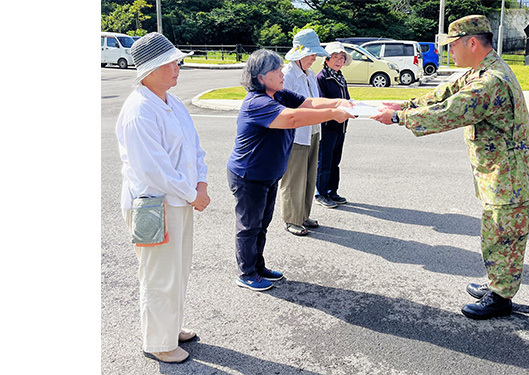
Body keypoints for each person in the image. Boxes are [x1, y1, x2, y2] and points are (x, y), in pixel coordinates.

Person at [371, 15, 529, 320]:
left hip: (510, 177)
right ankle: (497, 284)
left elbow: (450, 111)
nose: (450, 52)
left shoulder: (490, 81)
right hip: (500, 174)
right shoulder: (482, 70)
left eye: (453, 46)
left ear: (472, 42)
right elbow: (445, 93)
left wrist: (400, 119)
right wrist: (403, 106)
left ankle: (501, 297)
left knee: (503, 236)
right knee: (495, 232)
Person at [116, 32, 210, 363]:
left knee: (177, 270)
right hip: (154, 205)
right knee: (159, 275)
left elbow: (194, 148)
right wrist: (192, 192)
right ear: (150, 70)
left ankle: (169, 327)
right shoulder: (139, 110)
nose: (177, 67)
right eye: (170, 63)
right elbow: (154, 170)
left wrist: (201, 183)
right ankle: (158, 341)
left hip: (179, 201)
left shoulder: (173, 103)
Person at [227, 49, 355, 292]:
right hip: (249, 175)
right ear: (260, 77)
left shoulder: (279, 94)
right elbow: (293, 119)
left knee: (262, 224)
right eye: (275, 70)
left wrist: (339, 102)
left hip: (267, 173)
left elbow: (309, 102)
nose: (281, 73)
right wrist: (333, 114)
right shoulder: (258, 102)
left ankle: (258, 266)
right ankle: (246, 273)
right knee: (249, 226)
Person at [279, 29, 330, 236]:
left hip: (313, 131)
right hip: (296, 134)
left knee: (310, 176)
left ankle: (303, 215)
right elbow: (285, 108)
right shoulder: (288, 75)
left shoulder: (309, 75)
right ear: (300, 54)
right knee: (293, 178)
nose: (314, 58)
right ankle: (292, 218)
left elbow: (315, 102)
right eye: (311, 54)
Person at [315, 42, 352, 209]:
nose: (339, 61)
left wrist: (352, 107)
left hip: (341, 126)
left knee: (335, 161)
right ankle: (320, 193)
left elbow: (347, 98)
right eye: (336, 57)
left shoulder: (340, 76)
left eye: (342, 58)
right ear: (327, 59)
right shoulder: (321, 77)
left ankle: (332, 191)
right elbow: (322, 103)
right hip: (328, 126)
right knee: (324, 161)